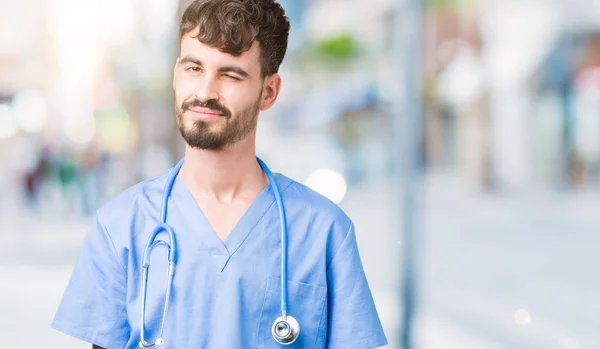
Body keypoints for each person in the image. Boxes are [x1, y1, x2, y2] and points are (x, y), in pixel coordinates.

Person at [51, 0, 388, 348]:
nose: (205, 92)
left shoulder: (323, 231)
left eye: (230, 74)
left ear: (268, 91)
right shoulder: (120, 226)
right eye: (193, 68)